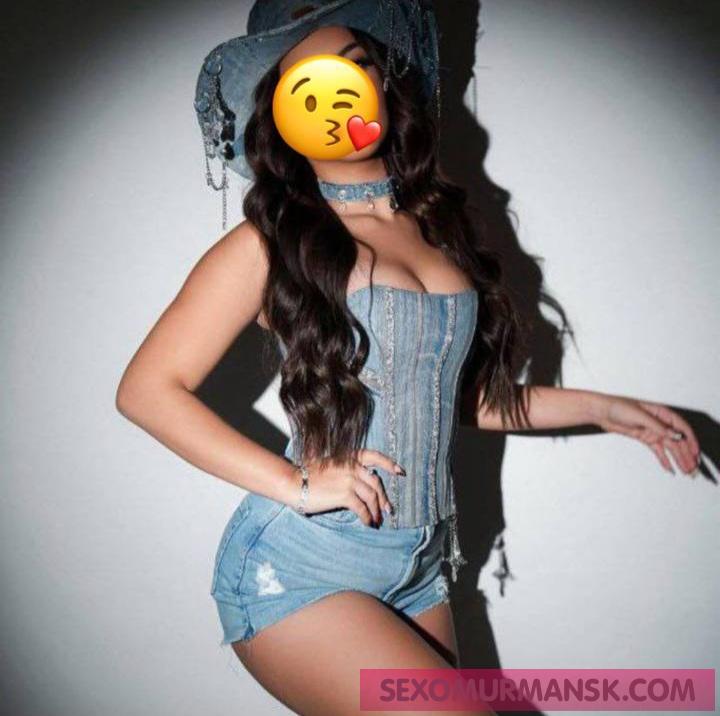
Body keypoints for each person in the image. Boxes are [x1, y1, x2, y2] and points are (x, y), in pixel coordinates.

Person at [115, 2, 701, 714]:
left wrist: (609, 411)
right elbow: (147, 389)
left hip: (421, 569)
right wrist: (297, 482)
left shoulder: (438, 232)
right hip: (305, 567)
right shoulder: (270, 243)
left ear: (387, 89)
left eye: (358, 68)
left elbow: (460, 399)